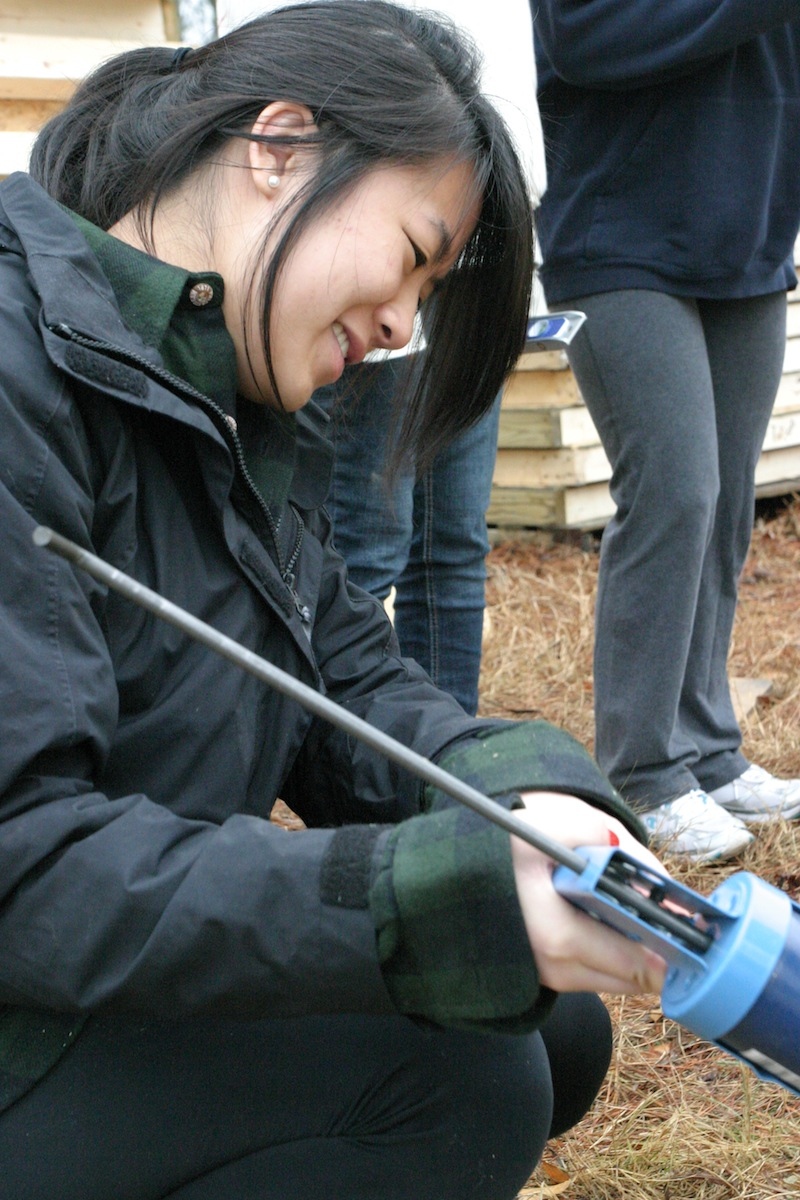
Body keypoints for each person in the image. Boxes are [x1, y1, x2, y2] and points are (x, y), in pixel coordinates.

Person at [0, 4, 667, 1196]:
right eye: (415, 255)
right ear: (280, 145)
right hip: (24, 984)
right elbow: (25, 865)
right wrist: (423, 902)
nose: (406, 323)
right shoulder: (20, 370)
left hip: (78, 970)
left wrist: (537, 804)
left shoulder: (218, 394)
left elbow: (347, 684)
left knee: (544, 1021)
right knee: (460, 1083)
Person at [217, 0, 547, 717]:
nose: (401, 322)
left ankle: (446, 733)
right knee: (364, 550)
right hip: (342, 291)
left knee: (454, 540)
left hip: (475, 255)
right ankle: (351, 737)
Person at [534, 1, 800, 863]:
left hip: (749, 234)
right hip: (619, 240)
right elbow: (583, 40)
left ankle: (710, 753)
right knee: (675, 492)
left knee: (721, 506)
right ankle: (644, 773)